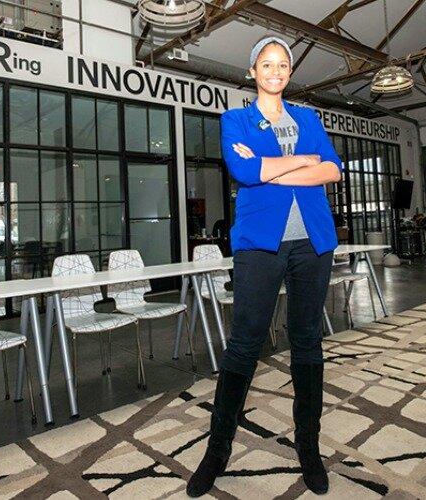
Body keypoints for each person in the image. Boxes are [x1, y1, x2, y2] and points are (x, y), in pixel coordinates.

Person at [186, 36, 343, 497]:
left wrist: (275, 165)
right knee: (244, 344)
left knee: (307, 340)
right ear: (253, 71)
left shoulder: (308, 118)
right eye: (267, 64)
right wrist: (302, 160)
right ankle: (217, 452)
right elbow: (245, 173)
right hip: (259, 244)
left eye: (283, 65)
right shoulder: (235, 119)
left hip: (313, 242)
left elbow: (333, 170)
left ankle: (308, 448)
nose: (275, 71)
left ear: (290, 73)